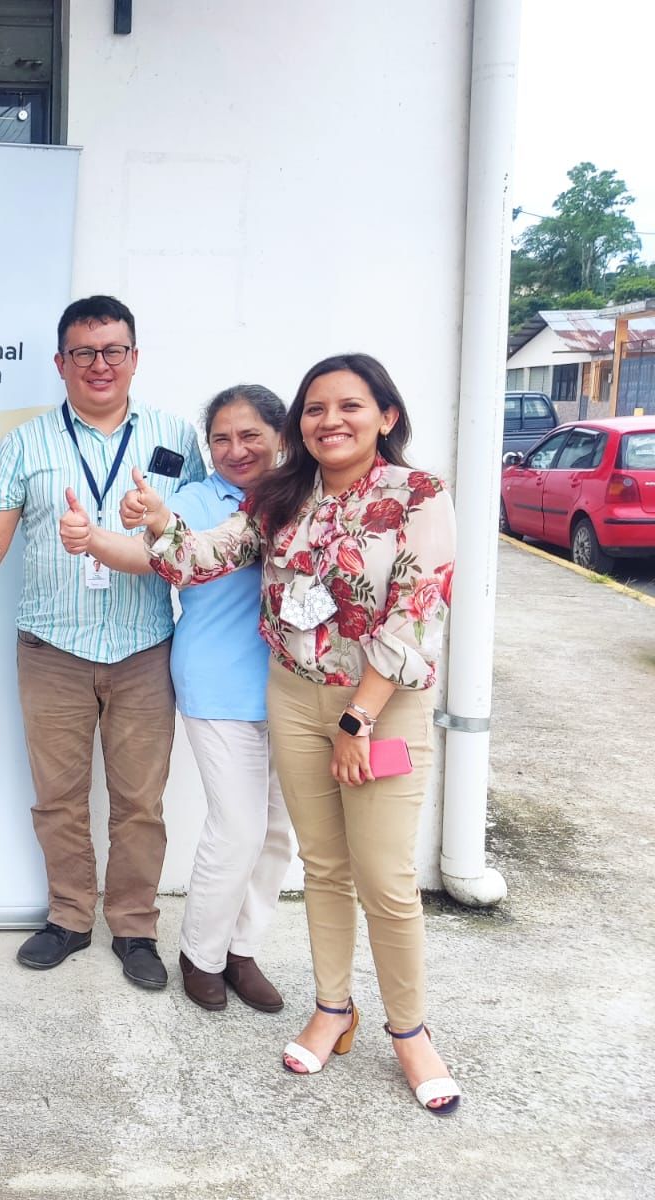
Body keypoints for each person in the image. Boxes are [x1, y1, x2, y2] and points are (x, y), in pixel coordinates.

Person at [124, 353, 460, 1115]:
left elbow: (418, 611)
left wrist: (358, 718)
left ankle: (410, 1032)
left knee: (385, 880)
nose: (330, 421)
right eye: (315, 408)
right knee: (325, 869)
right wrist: (161, 523)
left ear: (386, 416)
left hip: (379, 707)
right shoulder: (282, 496)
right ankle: (332, 1009)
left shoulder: (417, 494)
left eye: (349, 406)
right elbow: (209, 557)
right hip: (293, 698)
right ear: (299, 426)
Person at [0, 295, 205, 989]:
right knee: (59, 797)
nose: (100, 365)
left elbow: (194, 539)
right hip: (52, 650)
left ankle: (134, 927)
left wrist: (157, 520)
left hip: (144, 648)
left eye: (113, 351)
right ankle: (69, 918)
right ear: (60, 362)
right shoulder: (25, 443)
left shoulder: (175, 436)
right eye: (84, 353)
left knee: (140, 803)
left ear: (134, 357)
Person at [62, 384, 293, 1013]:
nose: (235, 450)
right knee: (238, 828)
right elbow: (152, 553)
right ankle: (202, 954)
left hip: (297, 689)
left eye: (249, 435)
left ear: (280, 436)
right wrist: (97, 539)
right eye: (221, 439)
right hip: (219, 682)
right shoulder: (195, 499)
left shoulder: (303, 494)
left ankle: (243, 950)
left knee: (276, 833)